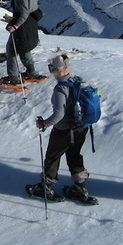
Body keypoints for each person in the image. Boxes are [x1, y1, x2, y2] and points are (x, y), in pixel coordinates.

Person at [28, 54, 92, 201]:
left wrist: (44, 123)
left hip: (63, 130)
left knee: (52, 157)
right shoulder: (77, 81)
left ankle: (46, 187)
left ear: (57, 70)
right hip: (81, 128)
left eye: (51, 69)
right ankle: (80, 187)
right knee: (74, 155)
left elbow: (59, 114)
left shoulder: (61, 88)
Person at [2, 0, 43, 84]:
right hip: (32, 20)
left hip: (23, 22)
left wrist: (16, 25)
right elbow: (37, 0)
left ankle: (13, 77)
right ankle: (31, 71)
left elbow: (24, 11)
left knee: (12, 48)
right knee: (24, 47)